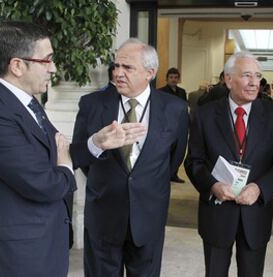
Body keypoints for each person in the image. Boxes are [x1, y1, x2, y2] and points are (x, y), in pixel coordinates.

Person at [70, 38, 189, 277]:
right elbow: (82, 156)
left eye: (128, 68)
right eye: (116, 66)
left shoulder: (174, 109)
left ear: (150, 73)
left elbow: (173, 159)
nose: (118, 73)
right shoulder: (91, 104)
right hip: (103, 217)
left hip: (149, 217)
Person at [0, 21, 77, 276]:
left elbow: (56, 149)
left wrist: (96, 143)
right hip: (17, 259)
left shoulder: (27, 101)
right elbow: (43, 183)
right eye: (47, 60)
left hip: (44, 246)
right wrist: (65, 165)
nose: (53, 68)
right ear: (17, 65)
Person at [185, 51, 273, 277]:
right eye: (247, 76)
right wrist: (213, 185)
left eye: (258, 76)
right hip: (217, 212)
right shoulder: (204, 115)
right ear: (228, 79)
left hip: (256, 212)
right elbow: (194, 161)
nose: (255, 82)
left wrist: (259, 188)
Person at [158, 67, 187, 183]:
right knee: (166, 151)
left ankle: (173, 173)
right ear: (167, 79)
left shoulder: (182, 92)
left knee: (178, 151)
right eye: (171, 77)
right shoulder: (161, 92)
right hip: (166, 126)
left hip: (180, 126)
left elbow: (184, 108)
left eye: (176, 77)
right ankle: (164, 174)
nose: (173, 80)